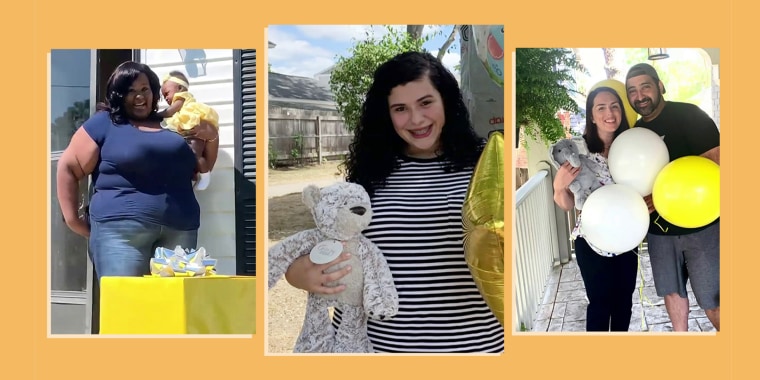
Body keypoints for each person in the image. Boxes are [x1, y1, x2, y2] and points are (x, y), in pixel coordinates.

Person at [282, 51, 504, 353]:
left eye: (426, 102)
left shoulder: (486, 162)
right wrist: (300, 274)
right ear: (385, 114)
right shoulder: (369, 174)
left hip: (474, 348)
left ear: (446, 101)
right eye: (400, 108)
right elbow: (324, 249)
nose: (416, 119)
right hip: (377, 350)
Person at [56, 61, 218, 283]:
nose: (140, 97)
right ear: (118, 95)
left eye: (145, 89)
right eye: (130, 91)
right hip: (120, 233)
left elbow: (204, 163)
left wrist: (211, 134)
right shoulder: (105, 123)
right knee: (127, 309)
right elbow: (67, 167)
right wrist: (72, 219)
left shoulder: (170, 123)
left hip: (180, 230)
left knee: (170, 312)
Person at [625, 63, 720, 331]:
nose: (640, 95)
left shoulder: (690, 115)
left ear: (660, 86)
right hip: (659, 231)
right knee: (672, 292)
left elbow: (717, 160)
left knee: (713, 300)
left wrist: (664, 194)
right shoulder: (635, 133)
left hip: (701, 227)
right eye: (632, 90)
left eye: (645, 86)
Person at [552, 87, 639, 332]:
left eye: (614, 106)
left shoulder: (633, 147)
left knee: (624, 305)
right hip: (591, 239)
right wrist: (559, 187)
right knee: (600, 305)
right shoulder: (578, 153)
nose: (609, 113)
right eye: (601, 107)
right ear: (591, 115)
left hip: (626, 238)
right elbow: (567, 204)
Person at [157, 70, 220, 191]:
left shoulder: (180, 98)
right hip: (188, 132)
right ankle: (200, 173)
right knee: (192, 155)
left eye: (166, 93)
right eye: (163, 95)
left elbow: (170, 111)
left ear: (180, 88)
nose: (165, 98)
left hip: (192, 127)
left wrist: (156, 115)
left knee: (194, 154)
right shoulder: (180, 103)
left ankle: (205, 176)